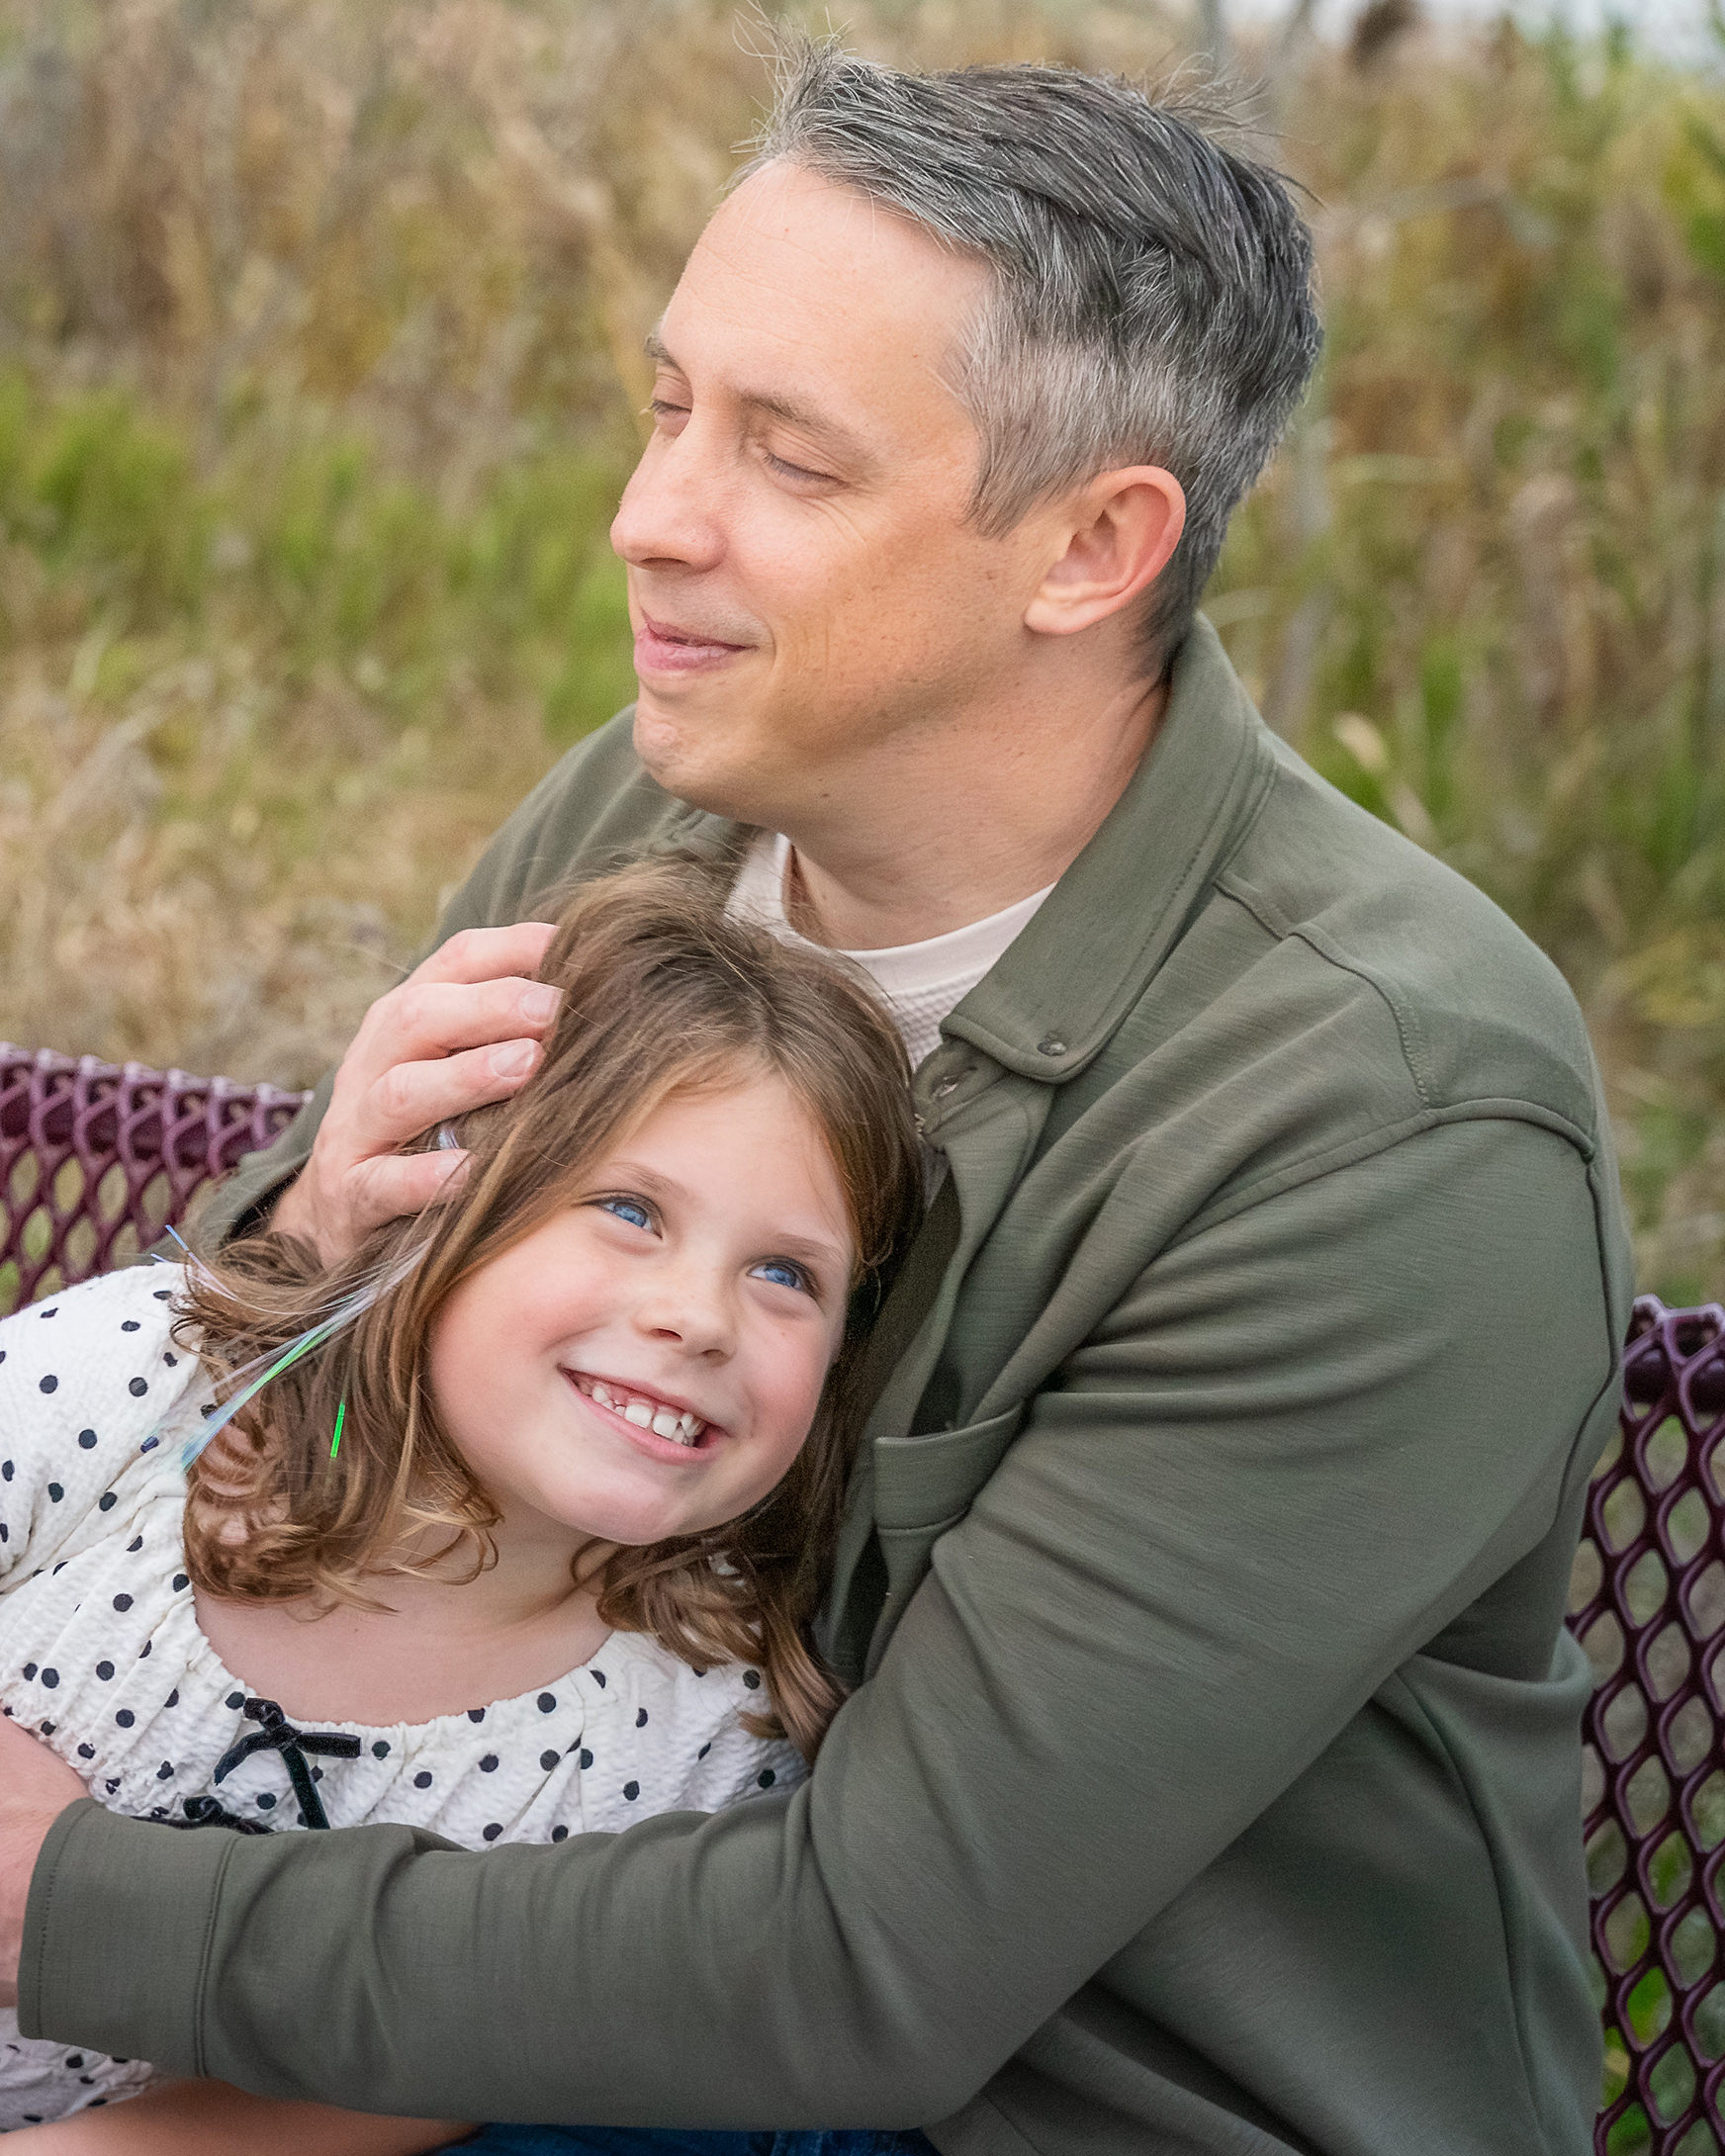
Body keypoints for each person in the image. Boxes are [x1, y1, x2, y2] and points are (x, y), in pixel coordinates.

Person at [0, 39, 1630, 2156]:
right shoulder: (651, 821)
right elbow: (323, 1420)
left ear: (1086, 546)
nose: (644, 518)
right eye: (669, 406)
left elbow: (867, 1969)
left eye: (787, 458)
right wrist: (309, 1242)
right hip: (441, 1992)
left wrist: (60, 1894)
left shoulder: (1378, 1125)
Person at [0, 863, 922, 2153]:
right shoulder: (149, 1391)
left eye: (785, 1273)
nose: (699, 1318)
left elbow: (430, 2066)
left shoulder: (698, 1738)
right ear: (436, 1198)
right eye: (629, 1209)